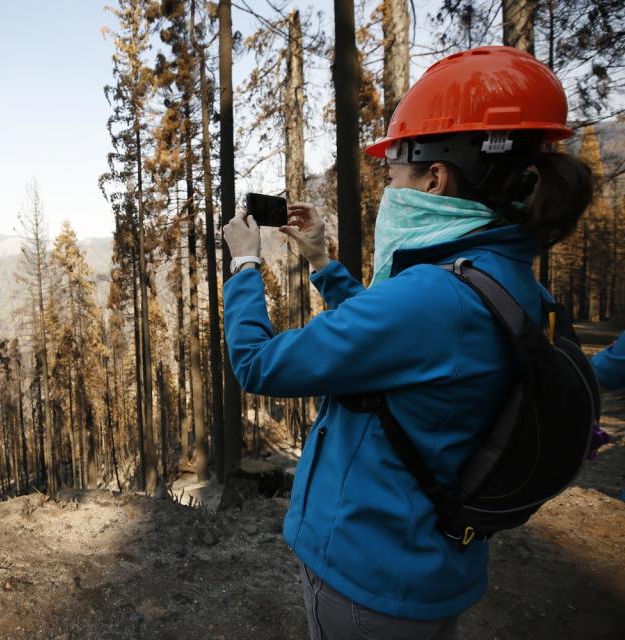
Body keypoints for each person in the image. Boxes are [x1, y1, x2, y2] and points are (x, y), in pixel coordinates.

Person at [222, 46, 593, 639]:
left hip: (366, 571)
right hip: (430, 563)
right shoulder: (506, 279)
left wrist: (244, 266)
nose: (389, 183)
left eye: (393, 168)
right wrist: (322, 261)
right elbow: (395, 350)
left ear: (436, 177)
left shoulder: (433, 298)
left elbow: (259, 364)